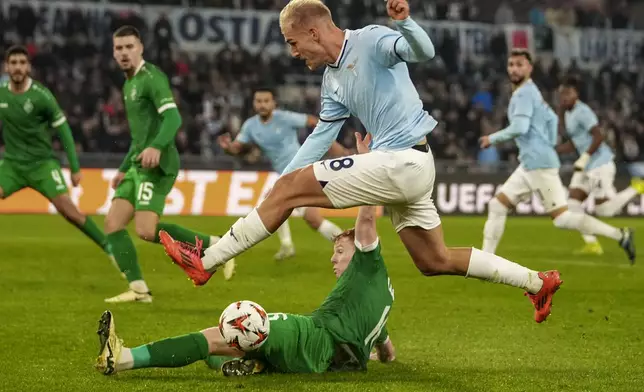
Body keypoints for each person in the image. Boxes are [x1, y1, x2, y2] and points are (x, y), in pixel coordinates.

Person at [162, 0, 562, 324]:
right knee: (433, 260)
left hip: (403, 161)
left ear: (313, 31)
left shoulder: (371, 40)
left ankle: (207, 260)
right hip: (408, 165)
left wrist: (405, 23)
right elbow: (320, 136)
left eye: (292, 41)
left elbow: (423, 51)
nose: (292, 51)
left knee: (289, 193)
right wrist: (282, 184)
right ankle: (536, 281)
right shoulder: (331, 80)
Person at [96, 201, 396, 375]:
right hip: (337, 361)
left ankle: (123, 358)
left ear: (359, 251)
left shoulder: (368, 262)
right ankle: (255, 365)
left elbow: (367, 219)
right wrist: (373, 355)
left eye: (341, 251)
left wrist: (366, 162)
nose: (333, 257)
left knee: (221, 332)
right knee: (229, 347)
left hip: (313, 339)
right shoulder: (382, 295)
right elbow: (387, 350)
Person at [103, 25, 234, 304]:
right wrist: (124, 167)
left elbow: (173, 118)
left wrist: (156, 147)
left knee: (146, 230)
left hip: (157, 164)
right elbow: (140, 136)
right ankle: (139, 290)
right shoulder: (129, 83)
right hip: (138, 163)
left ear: (141, 49)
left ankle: (220, 246)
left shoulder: (151, 78)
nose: (124, 53)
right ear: (113, 53)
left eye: (129, 47)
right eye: (119, 48)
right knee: (113, 224)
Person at [480, 50, 635, 263]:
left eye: (519, 64)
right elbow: (552, 118)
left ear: (529, 68)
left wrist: (492, 138)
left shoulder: (524, 93)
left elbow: (520, 126)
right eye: (511, 64)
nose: (514, 69)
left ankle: (620, 235)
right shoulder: (532, 92)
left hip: (540, 166)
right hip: (531, 163)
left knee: (563, 218)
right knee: (497, 205)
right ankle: (486, 261)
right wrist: (550, 143)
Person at [0, 45, 114, 265]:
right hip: (12, 165)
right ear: (7, 66)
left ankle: (108, 247)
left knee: (70, 212)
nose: (17, 68)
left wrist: (75, 168)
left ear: (28, 67)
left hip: (42, 165)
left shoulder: (42, 96)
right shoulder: (2, 94)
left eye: (22, 63)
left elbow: (64, 131)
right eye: (13, 63)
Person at [218, 86, 347, 261]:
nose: (262, 105)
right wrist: (228, 148)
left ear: (274, 103)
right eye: (259, 101)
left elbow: (312, 121)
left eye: (266, 101)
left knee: (275, 202)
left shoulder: (284, 118)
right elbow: (237, 148)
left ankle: (344, 246)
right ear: (254, 104)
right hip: (287, 176)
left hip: (301, 170)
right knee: (304, 216)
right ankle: (344, 245)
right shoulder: (250, 125)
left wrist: (330, 144)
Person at [556, 76, 644, 257]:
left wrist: (585, 156)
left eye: (568, 93)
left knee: (603, 210)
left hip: (599, 164)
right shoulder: (567, 112)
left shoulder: (583, 111)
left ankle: (636, 188)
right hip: (586, 165)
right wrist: (553, 150)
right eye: (562, 94)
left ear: (576, 94)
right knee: (572, 204)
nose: (565, 97)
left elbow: (599, 136)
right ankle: (592, 245)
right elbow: (575, 143)